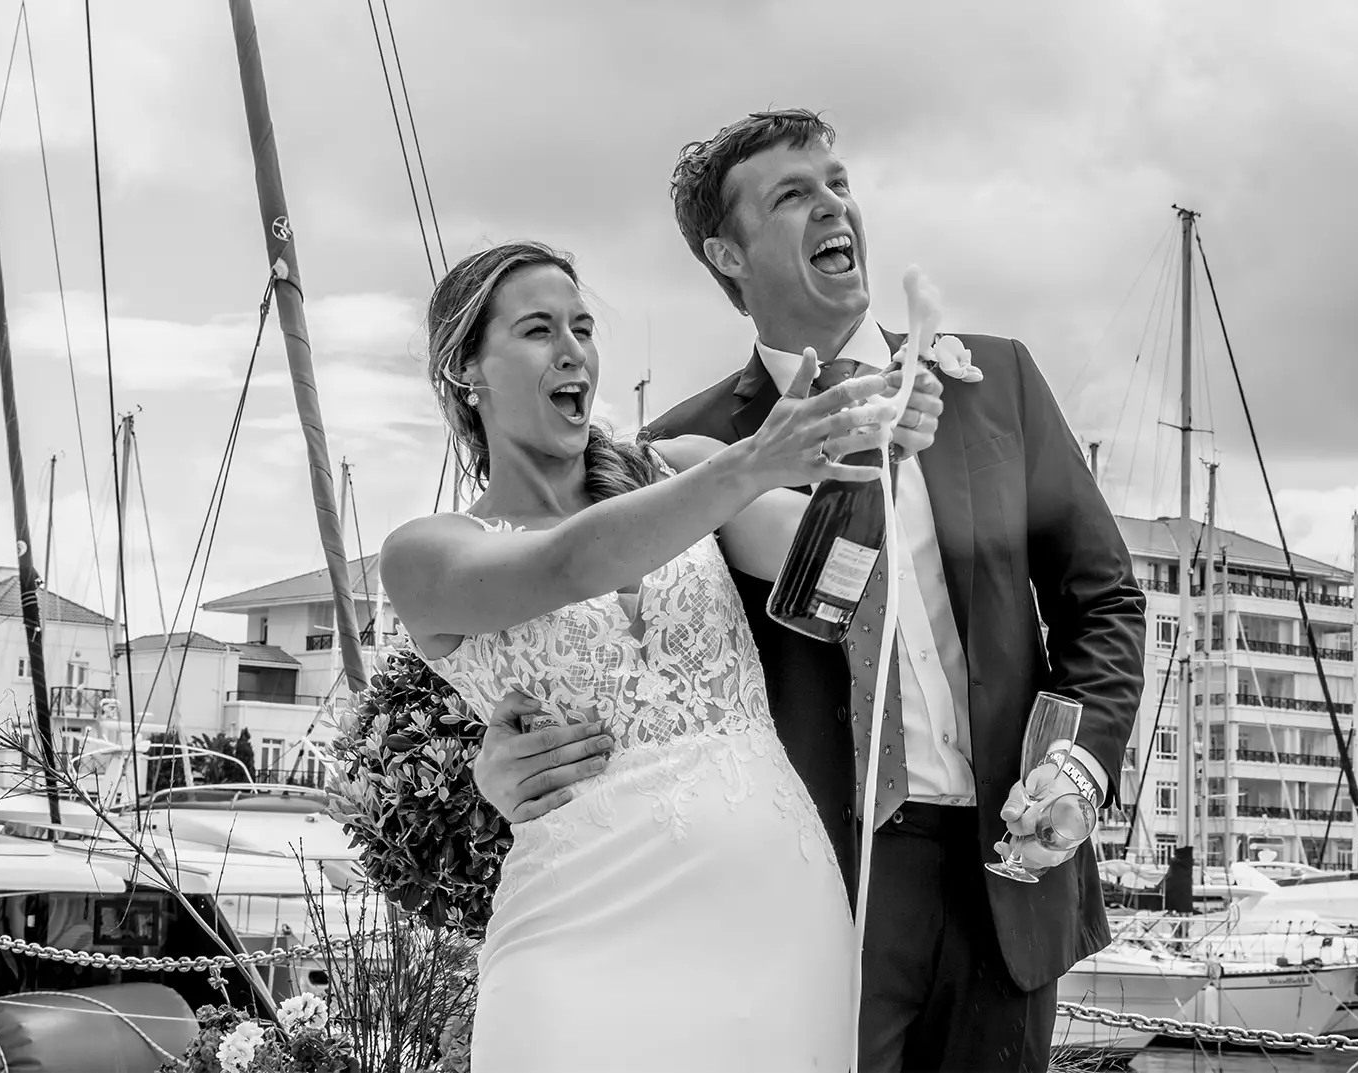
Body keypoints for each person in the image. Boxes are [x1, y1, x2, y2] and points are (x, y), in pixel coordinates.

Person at [474, 109, 1148, 1071]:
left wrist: (1079, 765)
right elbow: (567, 600)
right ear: (727, 252)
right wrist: (488, 764)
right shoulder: (682, 449)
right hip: (817, 892)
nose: (835, 205)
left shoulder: (996, 380)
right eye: (793, 194)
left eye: (837, 183)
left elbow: (1105, 604)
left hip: (1013, 874)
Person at [380, 239, 945, 1071]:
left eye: (582, 325)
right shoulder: (426, 552)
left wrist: (879, 441)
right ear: (466, 371)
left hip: (776, 916)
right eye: (538, 330)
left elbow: (839, 573)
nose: (573, 349)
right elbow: (570, 564)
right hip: (577, 929)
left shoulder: (677, 468)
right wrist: (753, 462)